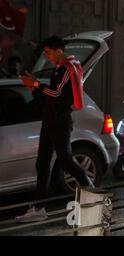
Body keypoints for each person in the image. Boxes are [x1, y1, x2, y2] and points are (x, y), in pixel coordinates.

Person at [16, 35, 93, 223]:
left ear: (59, 51)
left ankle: (92, 191)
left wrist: (35, 85)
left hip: (60, 121)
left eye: (49, 53)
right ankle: (39, 208)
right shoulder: (59, 69)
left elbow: (58, 94)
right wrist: (35, 86)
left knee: (66, 160)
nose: (47, 57)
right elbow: (51, 95)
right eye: (45, 53)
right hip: (50, 121)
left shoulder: (67, 68)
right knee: (42, 164)